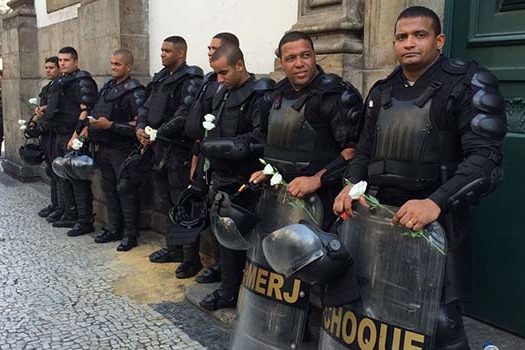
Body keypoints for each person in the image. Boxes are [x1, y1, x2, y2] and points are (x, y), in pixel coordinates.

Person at [333, 6, 506, 349]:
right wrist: (350, 185)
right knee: (377, 313)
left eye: (419, 35)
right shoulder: (382, 91)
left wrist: (434, 203)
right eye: (401, 36)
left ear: (439, 40)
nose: (409, 43)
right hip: (379, 221)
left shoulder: (467, 83)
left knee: (440, 325)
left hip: (435, 225)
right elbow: (363, 151)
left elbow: (485, 160)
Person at [198, 45, 275, 310]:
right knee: (224, 238)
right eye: (216, 73)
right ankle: (228, 287)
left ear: (240, 65)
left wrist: (225, 147)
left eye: (224, 72)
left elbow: (263, 139)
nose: (219, 79)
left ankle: (237, 292)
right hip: (221, 176)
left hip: (247, 179)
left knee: (242, 240)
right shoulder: (222, 92)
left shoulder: (260, 94)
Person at [169, 32, 241, 283]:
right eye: (208, 47)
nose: (209, 51)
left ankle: (222, 269)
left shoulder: (231, 84)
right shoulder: (211, 80)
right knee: (195, 208)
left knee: (223, 218)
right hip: (203, 156)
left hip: (229, 166)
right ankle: (193, 260)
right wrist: (196, 159)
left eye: (215, 48)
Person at [136, 36, 203, 270]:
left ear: (181, 53)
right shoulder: (161, 78)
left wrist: (157, 133)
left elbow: (185, 112)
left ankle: (190, 258)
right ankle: (173, 248)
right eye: (161, 50)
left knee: (182, 204)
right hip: (157, 148)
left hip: (178, 149)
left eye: (167, 51)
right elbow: (144, 107)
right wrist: (140, 129)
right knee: (164, 202)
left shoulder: (191, 78)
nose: (162, 54)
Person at [28, 47, 98, 236]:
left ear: (75, 61)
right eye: (60, 60)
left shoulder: (82, 80)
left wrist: (77, 136)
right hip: (58, 134)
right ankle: (69, 212)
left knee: (77, 178)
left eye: (66, 60)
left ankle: (84, 220)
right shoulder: (60, 81)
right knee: (61, 175)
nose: (62, 63)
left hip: (72, 135)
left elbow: (86, 110)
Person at [88, 49, 145, 251]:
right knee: (108, 189)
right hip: (104, 147)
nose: (113, 67)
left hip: (123, 149)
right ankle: (114, 228)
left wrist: (111, 125)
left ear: (128, 66)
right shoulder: (107, 88)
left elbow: (139, 125)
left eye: (117, 64)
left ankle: (131, 234)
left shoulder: (135, 91)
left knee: (125, 190)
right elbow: (96, 111)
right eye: (112, 63)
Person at [34, 57, 62, 219]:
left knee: (58, 172)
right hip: (47, 133)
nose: (48, 70)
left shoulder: (60, 87)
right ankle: (56, 204)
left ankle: (62, 208)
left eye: (51, 67)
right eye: (46, 67)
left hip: (56, 132)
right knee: (51, 170)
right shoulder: (48, 87)